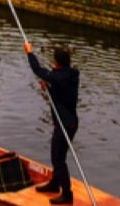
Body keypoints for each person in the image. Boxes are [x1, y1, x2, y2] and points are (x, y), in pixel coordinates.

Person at [25, 41, 79, 204]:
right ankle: (55, 184)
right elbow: (62, 93)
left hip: (65, 124)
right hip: (69, 121)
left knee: (58, 159)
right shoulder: (72, 74)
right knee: (56, 154)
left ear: (56, 62)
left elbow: (38, 70)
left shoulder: (58, 76)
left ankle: (67, 194)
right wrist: (50, 88)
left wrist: (29, 53)